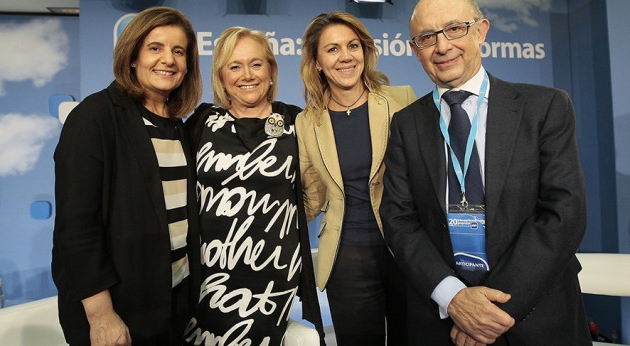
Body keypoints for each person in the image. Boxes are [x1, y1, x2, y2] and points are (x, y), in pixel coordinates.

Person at [380, 0, 591, 345]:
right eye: (427, 37)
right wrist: (455, 299)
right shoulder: (406, 124)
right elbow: (399, 220)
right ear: (415, 50)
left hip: (535, 314)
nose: (443, 46)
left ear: (481, 31)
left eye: (454, 29)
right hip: (443, 320)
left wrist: (486, 312)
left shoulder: (545, 107)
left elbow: (564, 213)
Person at [52, 7, 202, 345]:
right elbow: (76, 228)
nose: (169, 59)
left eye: (179, 51)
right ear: (132, 56)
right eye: (155, 48)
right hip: (119, 315)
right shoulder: (95, 117)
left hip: (173, 305)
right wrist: (102, 315)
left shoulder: (178, 126)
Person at [182, 26, 325, 346]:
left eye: (256, 64)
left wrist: (278, 220)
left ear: (271, 70)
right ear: (220, 75)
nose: (247, 75)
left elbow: (315, 191)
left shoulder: (294, 121)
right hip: (208, 277)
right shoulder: (202, 123)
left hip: (271, 274)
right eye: (235, 66)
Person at [296, 11, 417, 345]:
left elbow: (425, 177)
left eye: (352, 45)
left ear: (364, 51)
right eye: (332, 49)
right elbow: (313, 197)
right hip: (346, 261)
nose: (345, 56)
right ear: (317, 62)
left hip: (406, 250)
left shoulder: (401, 100)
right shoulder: (307, 123)